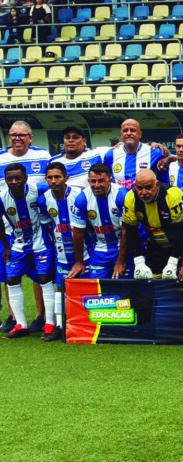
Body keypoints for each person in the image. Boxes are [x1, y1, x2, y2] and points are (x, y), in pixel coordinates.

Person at [0, 121, 50, 334]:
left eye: (22, 135)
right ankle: (14, 317)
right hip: (10, 228)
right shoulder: (1, 157)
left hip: (38, 227)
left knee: (40, 274)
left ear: (31, 137)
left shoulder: (44, 156)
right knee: (9, 273)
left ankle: (41, 316)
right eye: (13, 135)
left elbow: (54, 178)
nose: (17, 138)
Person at [36, 162, 81, 341]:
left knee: (87, 289)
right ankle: (60, 327)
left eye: (57, 177)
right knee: (60, 289)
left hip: (84, 253)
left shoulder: (79, 196)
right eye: (50, 177)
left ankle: (85, 325)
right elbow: (47, 226)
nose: (53, 181)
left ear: (66, 178)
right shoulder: (43, 200)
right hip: (61, 252)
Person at [114, 170, 183, 280]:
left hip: (179, 246)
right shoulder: (130, 198)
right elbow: (131, 231)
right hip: (156, 246)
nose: (143, 192)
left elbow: (181, 231)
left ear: (157, 185)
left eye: (148, 187)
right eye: (139, 188)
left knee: (180, 281)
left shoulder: (173, 195)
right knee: (150, 282)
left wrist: (173, 261)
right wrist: (138, 261)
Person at [69, 164, 128, 280]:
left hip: (123, 247)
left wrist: (121, 262)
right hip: (100, 249)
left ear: (109, 180)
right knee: (96, 290)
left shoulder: (121, 196)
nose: (96, 185)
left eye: (101, 181)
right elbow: (77, 232)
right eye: (93, 181)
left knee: (125, 287)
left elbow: (126, 231)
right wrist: (79, 262)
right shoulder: (83, 198)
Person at [102, 119, 164, 190]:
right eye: (125, 130)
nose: (128, 133)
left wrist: (166, 158)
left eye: (133, 130)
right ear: (121, 134)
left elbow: (175, 158)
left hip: (144, 199)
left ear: (140, 134)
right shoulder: (111, 154)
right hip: (120, 200)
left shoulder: (154, 152)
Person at [48, 125, 105, 190]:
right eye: (67, 137)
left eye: (75, 137)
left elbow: (117, 151)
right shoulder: (54, 161)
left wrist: (119, 144)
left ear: (84, 141)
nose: (71, 140)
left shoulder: (97, 154)